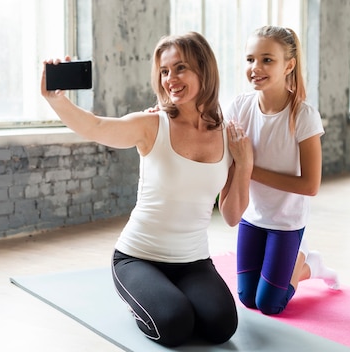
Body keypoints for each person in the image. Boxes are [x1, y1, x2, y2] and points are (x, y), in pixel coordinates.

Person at [41, 32, 253, 348]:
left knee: (222, 326)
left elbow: (233, 216)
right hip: (137, 258)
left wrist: (245, 164)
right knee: (174, 326)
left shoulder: (228, 136)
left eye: (180, 68)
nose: (170, 79)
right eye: (164, 71)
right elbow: (96, 127)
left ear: (204, 70)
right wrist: (54, 98)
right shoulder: (152, 124)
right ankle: (143, 299)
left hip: (193, 262)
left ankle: (167, 296)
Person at [224, 25, 339, 316]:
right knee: (247, 299)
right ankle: (290, 263)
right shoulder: (239, 106)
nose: (255, 67)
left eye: (267, 60)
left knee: (270, 304)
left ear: (289, 64)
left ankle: (310, 262)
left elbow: (310, 185)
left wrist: (249, 168)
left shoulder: (303, 115)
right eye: (250, 59)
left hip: (287, 223)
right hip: (253, 217)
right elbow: (214, 142)